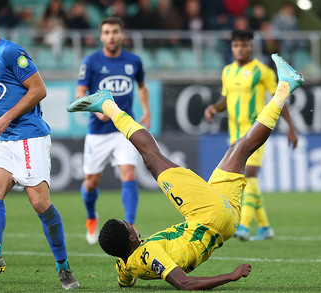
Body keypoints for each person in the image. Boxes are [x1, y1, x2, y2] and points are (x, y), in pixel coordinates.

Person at [67, 53, 304, 290]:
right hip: (206, 215)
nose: (130, 223)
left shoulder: (126, 265)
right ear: (131, 237)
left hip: (226, 225)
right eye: (127, 225)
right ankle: (107, 104)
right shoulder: (149, 253)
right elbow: (184, 284)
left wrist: (126, 280)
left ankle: (284, 85)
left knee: (240, 149)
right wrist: (231, 276)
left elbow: (125, 280)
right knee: (152, 158)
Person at [0, 10, 79, 290]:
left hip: (30, 137)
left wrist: (6, 118)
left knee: (39, 203)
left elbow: (39, 90)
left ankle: (64, 268)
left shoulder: (11, 52)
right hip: (6, 139)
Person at [204, 30, 298, 241]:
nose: (240, 49)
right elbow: (224, 100)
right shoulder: (227, 71)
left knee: (250, 174)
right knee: (244, 177)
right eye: (236, 45)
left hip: (256, 130)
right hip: (233, 133)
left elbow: (279, 98)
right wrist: (213, 108)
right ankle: (264, 226)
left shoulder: (263, 71)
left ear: (251, 47)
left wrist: (291, 128)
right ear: (232, 48)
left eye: (244, 45)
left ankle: (244, 226)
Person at [74, 17, 150, 245]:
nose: (111, 36)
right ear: (101, 36)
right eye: (106, 32)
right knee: (90, 183)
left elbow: (142, 86)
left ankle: (130, 226)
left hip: (124, 127)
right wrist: (97, 111)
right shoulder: (91, 61)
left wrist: (146, 111)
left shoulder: (134, 61)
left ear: (121, 34)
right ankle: (90, 217)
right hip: (98, 131)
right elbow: (79, 93)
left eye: (115, 32)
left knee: (128, 174)